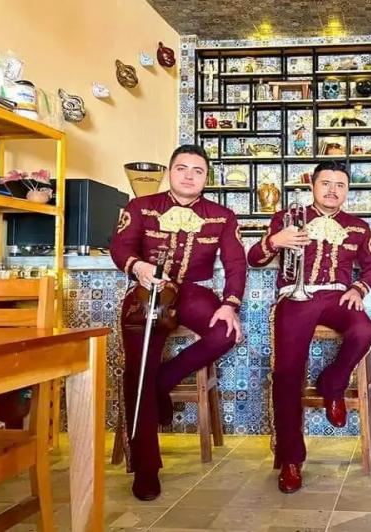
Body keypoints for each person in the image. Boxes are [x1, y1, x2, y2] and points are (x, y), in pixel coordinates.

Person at [110, 144, 247, 501]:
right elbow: (120, 247)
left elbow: (236, 264)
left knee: (225, 334)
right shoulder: (140, 207)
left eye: (198, 171)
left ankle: (164, 380)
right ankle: (146, 466)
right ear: (169, 172)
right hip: (148, 290)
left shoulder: (222, 215)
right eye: (182, 168)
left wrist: (230, 304)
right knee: (138, 371)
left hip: (193, 292)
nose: (189, 175)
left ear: (207, 177)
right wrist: (138, 268)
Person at [247, 161, 371, 494]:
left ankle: (332, 384)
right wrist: (275, 240)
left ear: (347, 190)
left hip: (338, 296)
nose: (332, 190)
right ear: (313, 186)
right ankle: (291, 458)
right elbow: (254, 258)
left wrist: (358, 288)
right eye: (326, 183)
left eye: (340, 185)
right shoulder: (287, 219)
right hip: (294, 297)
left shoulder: (358, 227)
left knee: (364, 331)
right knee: (287, 374)